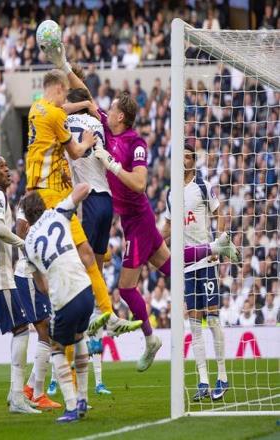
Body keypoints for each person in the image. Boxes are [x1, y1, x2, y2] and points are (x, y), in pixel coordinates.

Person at [92, 93, 240, 371]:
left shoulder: (135, 143)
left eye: (111, 109)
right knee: (173, 267)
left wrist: (110, 163)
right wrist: (66, 72)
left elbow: (139, 184)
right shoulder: (107, 127)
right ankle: (214, 248)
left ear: (120, 116)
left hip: (138, 220)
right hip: (136, 221)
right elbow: (89, 102)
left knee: (126, 288)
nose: (106, 111)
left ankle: (151, 339)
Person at [25, 67, 137, 337]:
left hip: (39, 194)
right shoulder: (58, 116)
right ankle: (92, 315)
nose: (64, 99)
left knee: (80, 256)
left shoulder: (35, 109)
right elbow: (75, 152)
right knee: (82, 257)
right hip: (55, 196)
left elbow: (62, 111)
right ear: (59, 89)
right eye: (63, 93)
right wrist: (86, 141)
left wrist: (85, 103)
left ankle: (98, 316)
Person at [21, 183, 135, 423]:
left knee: (57, 348)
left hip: (64, 295)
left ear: (27, 218)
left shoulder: (28, 243)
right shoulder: (58, 213)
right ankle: (82, 399)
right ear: (43, 206)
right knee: (79, 337)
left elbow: (42, 286)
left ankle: (72, 406)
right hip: (85, 288)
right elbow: (83, 188)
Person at [161, 142, 239, 401]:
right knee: (194, 324)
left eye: (187, 157)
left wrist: (219, 242)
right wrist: (152, 243)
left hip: (206, 260)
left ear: (193, 161)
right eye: (180, 157)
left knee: (213, 319)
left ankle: (222, 376)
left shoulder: (203, 186)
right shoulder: (171, 194)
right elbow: (168, 227)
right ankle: (203, 380)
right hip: (187, 265)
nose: (183, 161)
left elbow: (219, 213)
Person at [0, 154, 40, 414]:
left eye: (7, 165)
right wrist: (23, 244)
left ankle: (15, 394)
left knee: (20, 329)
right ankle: (17, 397)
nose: (7, 169)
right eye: (1, 166)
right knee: (22, 330)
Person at [65, 87, 114, 395]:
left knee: (75, 289)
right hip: (106, 201)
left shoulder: (66, 121)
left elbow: (57, 110)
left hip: (86, 202)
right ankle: (98, 378)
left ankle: (60, 373)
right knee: (96, 284)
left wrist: (80, 102)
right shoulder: (99, 122)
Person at [15, 209, 61, 410]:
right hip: (29, 275)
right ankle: (38, 394)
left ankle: (31, 388)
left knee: (48, 331)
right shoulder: (28, 202)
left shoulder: (44, 203)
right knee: (45, 330)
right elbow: (19, 230)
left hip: (36, 274)